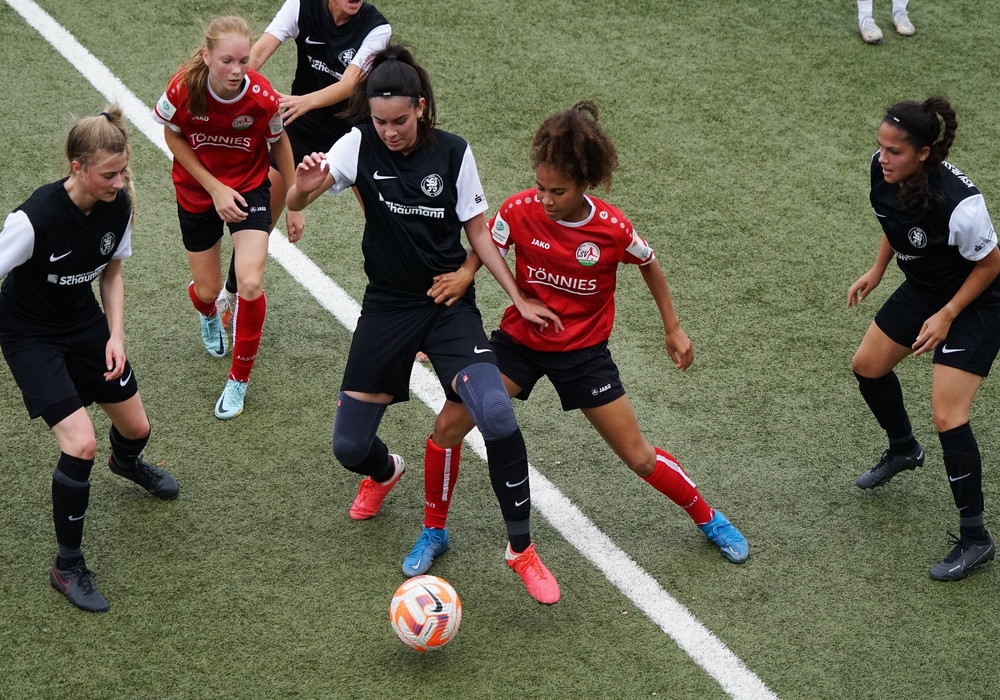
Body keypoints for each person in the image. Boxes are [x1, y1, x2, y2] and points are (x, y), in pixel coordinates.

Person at [401, 101, 750, 579]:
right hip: (518, 344)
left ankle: (709, 518)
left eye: (557, 191)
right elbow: (488, 245)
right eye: (540, 187)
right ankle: (434, 531)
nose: (545, 199)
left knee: (639, 456)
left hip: (583, 355)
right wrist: (465, 274)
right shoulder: (519, 210)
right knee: (448, 427)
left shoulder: (612, 228)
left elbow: (649, 263)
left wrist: (672, 326)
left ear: (585, 183)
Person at [286, 44, 564, 604]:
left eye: (400, 121)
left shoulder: (454, 153)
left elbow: (479, 232)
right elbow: (299, 198)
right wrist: (302, 181)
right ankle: (386, 471)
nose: (389, 132)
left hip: (446, 306)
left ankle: (521, 549)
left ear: (420, 107)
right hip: (387, 306)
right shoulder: (357, 142)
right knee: (348, 446)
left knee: (497, 415)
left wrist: (513, 295)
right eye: (380, 121)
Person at [0, 106, 179, 613]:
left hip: (83, 324)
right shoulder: (32, 220)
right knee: (81, 444)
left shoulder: (118, 206)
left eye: (122, 172)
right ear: (77, 168)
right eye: (109, 175)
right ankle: (68, 565)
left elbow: (111, 274)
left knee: (137, 428)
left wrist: (116, 335)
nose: (119, 183)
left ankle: (127, 463)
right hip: (30, 335)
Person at [849, 96, 1000, 580]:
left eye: (895, 151)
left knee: (948, 414)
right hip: (926, 286)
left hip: (977, 301)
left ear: (924, 153)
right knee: (868, 365)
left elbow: (991, 264)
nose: (883, 157)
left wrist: (948, 315)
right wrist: (877, 269)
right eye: (881, 147)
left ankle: (976, 538)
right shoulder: (883, 170)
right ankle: (904, 449)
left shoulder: (960, 204)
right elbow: (894, 221)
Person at [152, 15, 304, 419]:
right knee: (207, 290)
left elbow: (279, 142)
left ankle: (238, 380)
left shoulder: (261, 96)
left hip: (250, 188)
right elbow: (171, 134)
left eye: (243, 61)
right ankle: (207, 312)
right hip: (196, 191)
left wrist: (294, 201)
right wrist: (214, 187)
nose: (237, 71)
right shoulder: (183, 88)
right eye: (227, 61)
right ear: (207, 56)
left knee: (250, 283)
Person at [215, 0, 391, 324]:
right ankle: (232, 292)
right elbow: (260, 51)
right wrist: (235, 87)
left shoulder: (377, 29)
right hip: (303, 128)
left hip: (357, 134)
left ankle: (401, 311)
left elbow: (349, 84)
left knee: (389, 224)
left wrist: (304, 101)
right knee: (260, 217)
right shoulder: (300, 6)